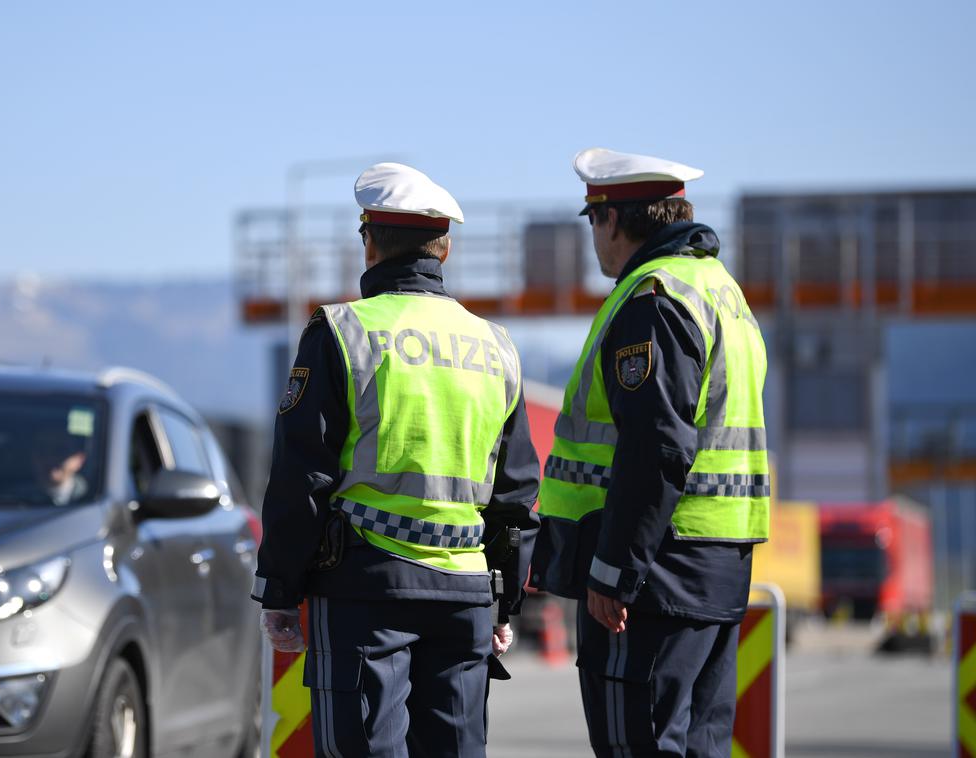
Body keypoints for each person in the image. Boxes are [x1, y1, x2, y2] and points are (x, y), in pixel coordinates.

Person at [251, 162, 540, 758]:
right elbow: (515, 496)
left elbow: (303, 475)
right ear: (445, 250)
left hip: (365, 590)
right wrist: (505, 598)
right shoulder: (496, 346)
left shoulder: (341, 331)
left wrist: (280, 590)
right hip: (465, 595)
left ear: (370, 242)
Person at [530, 148, 770, 757]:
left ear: (614, 218)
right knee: (698, 746)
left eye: (592, 221)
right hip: (717, 566)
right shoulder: (725, 294)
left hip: (651, 576)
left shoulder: (653, 299)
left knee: (636, 742)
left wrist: (613, 570)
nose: (593, 240)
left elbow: (655, 446)